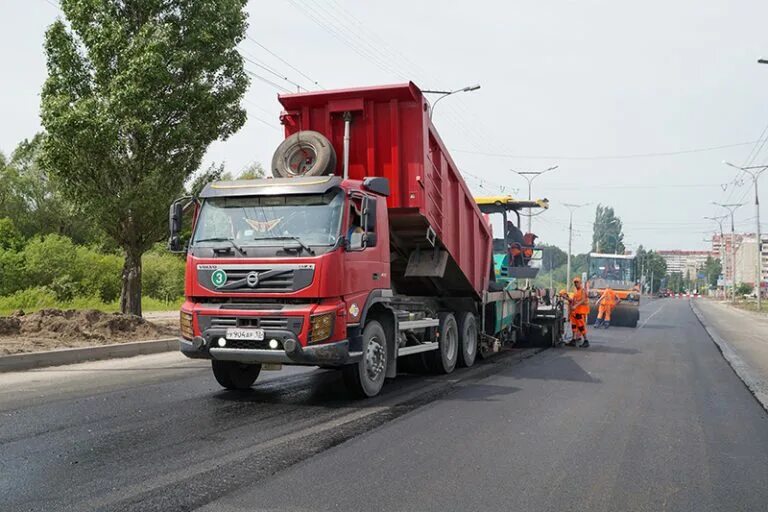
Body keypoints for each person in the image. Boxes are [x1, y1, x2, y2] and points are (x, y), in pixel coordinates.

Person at [567, 277, 590, 348]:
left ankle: (586, 341)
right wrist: (566, 298)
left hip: (581, 311)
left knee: (581, 326)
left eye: (577, 282)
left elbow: (583, 300)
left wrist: (575, 305)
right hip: (575, 311)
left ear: (580, 283)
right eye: (575, 282)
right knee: (574, 325)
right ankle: (573, 340)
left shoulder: (582, 290)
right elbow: (573, 300)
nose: (576, 284)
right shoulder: (575, 291)